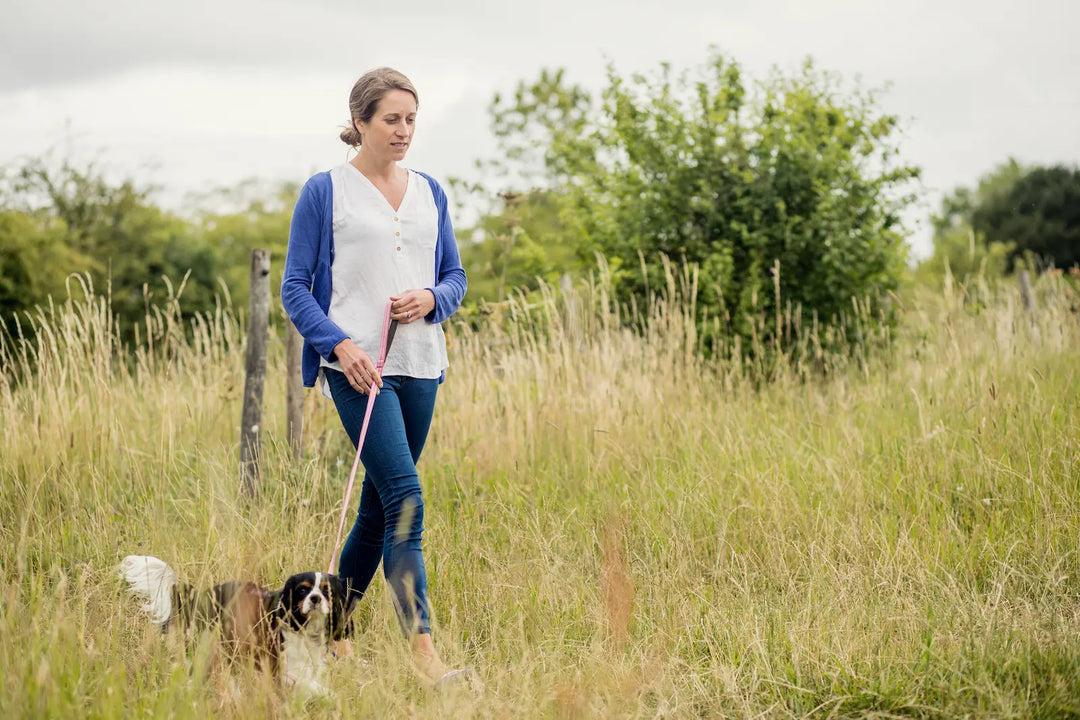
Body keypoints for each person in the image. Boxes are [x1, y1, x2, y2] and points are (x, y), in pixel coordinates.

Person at [280, 67, 467, 686]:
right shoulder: (324, 191)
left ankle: (334, 634)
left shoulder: (431, 191)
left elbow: (455, 280)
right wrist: (339, 344)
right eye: (391, 119)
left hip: (422, 365)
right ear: (360, 121)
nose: (403, 131)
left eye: (411, 119)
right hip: (358, 371)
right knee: (407, 501)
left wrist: (431, 298)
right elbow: (295, 289)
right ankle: (425, 657)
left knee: (377, 510)